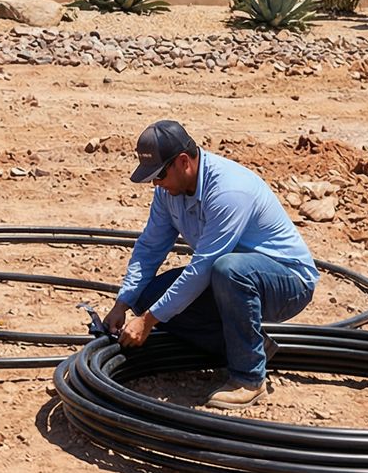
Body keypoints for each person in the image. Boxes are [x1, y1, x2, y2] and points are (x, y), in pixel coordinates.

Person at [103, 120, 317, 408]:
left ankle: (249, 378)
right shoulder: (168, 192)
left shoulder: (228, 190)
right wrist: (124, 303)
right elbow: (150, 247)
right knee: (147, 296)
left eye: (159, 175)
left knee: (227, 270)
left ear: (183, 162)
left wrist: (149, 320)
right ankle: (254, 347)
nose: (156, 184)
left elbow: (203, 267)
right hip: (228, 278)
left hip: (286, 283)